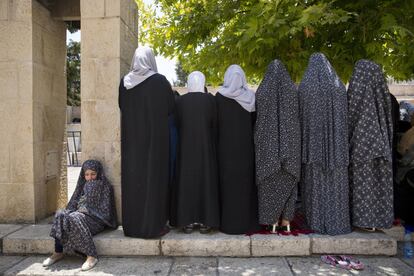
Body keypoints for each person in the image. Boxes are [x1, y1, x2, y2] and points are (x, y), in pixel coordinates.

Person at [119, 46, 175, 238]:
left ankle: (132, 227)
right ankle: (153, 226)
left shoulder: (124, 83)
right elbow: (170, 107)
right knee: (154, 180)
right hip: (155, 142)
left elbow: (122, 106)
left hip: (131, 142)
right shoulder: (159, 82)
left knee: (134, 181)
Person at [298, 53, 351, 235]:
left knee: (315, 186)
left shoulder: (305, 87)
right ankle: (338, 223)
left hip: (313, 149)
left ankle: (315, 222)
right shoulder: (339, 88)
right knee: (336, 185)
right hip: (337, 148)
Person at [43, 160, 117, 271]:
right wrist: (69, 213)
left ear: (98, 173)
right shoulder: (81, 185)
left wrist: (91, 189)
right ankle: (58, 252)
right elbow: (74, 203)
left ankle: (91, 256)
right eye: (87, 174)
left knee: (75, 218)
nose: (90, 177)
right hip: (79, 216)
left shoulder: (105, 186)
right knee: (60, 214)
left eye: (93, 174)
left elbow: (105, 212)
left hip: (96, 221)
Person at [170, 71, 220, 233]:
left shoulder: (180, 101)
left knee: (186, 182)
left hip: (185, 149)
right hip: (206, 148)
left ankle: (186, 221)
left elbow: (176, 123)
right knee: (206, 181)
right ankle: (206, 220)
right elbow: (215, 122)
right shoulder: (211, 100)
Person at [254, 60, 301, 233]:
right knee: (289, 182)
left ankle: (271, 221)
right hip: (291, 146)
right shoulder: (291, 90)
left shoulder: (262, 91)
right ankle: (286, 222)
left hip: (267, 148)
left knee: (268, 184)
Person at [347, 59, 394, 231]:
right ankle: (377, 219)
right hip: (379, 144)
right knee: (377, 182)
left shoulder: (358, 85)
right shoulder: (380, 88)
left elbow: (351, 115)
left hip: (361, 144)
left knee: (362, 184)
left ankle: (364, 221)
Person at [216, 64, 260, 234]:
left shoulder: (219, 97)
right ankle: (246, 223)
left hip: (225, 150)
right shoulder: (250, 97)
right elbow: (255, 123)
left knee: (227, 186)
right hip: (246, 150)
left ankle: (227, 224)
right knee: (245, 185)